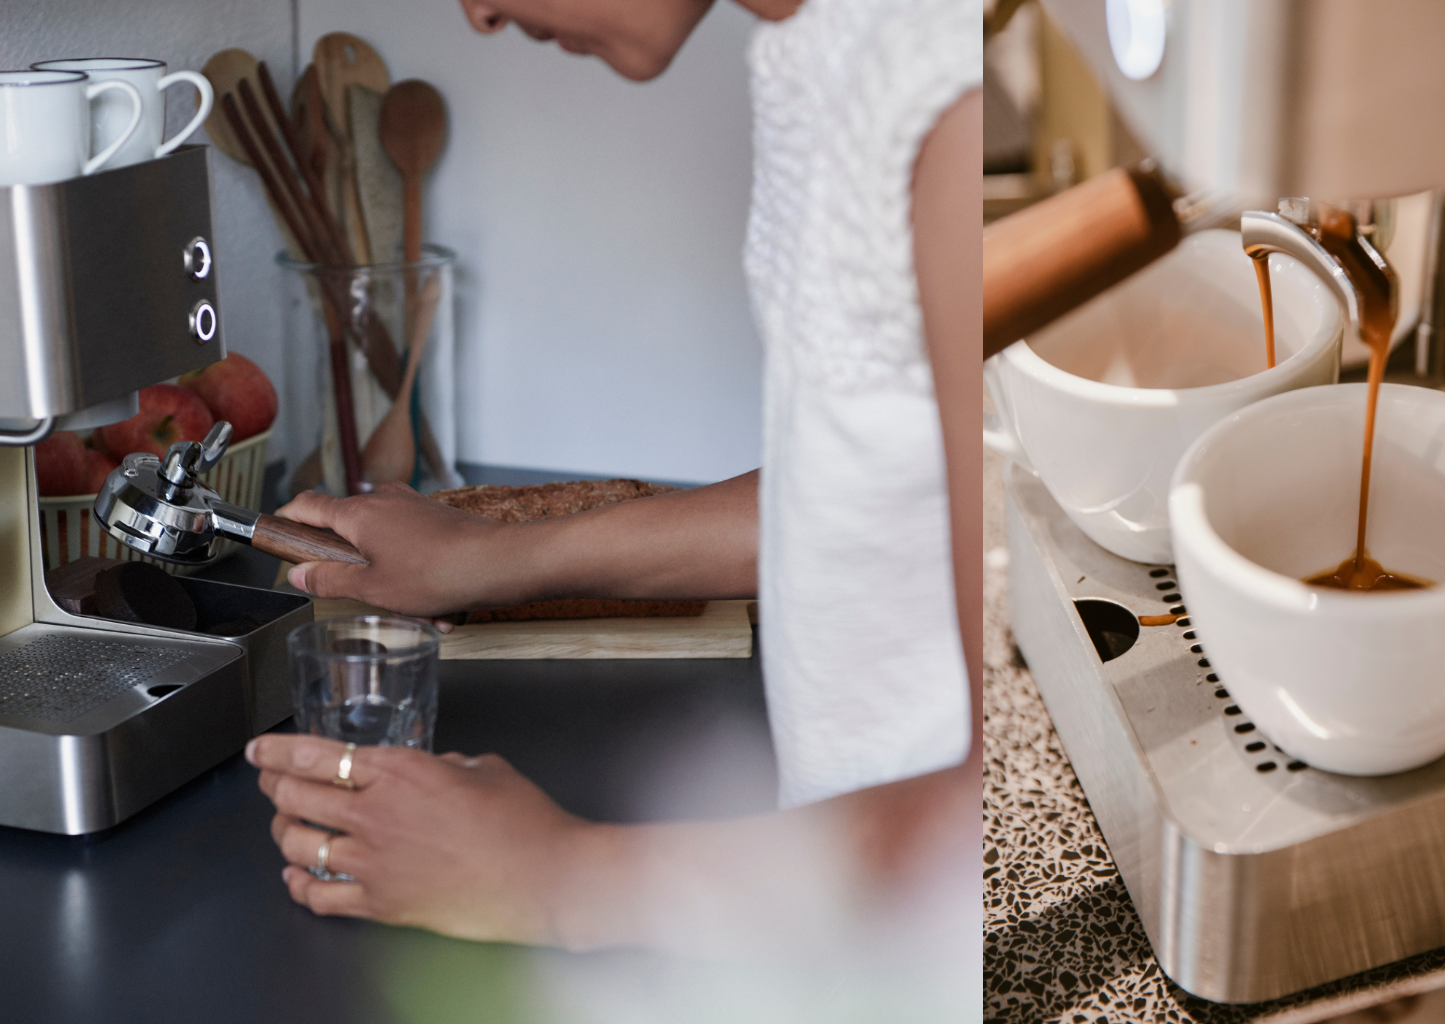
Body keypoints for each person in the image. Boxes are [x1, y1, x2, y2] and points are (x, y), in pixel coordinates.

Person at [246, 0, 980, 956]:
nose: (477, 13)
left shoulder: (942, 95)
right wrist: (488, 559)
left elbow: (975, 827)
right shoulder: (819, 50)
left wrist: (556, 876)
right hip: (828, 922)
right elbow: (872, 496)